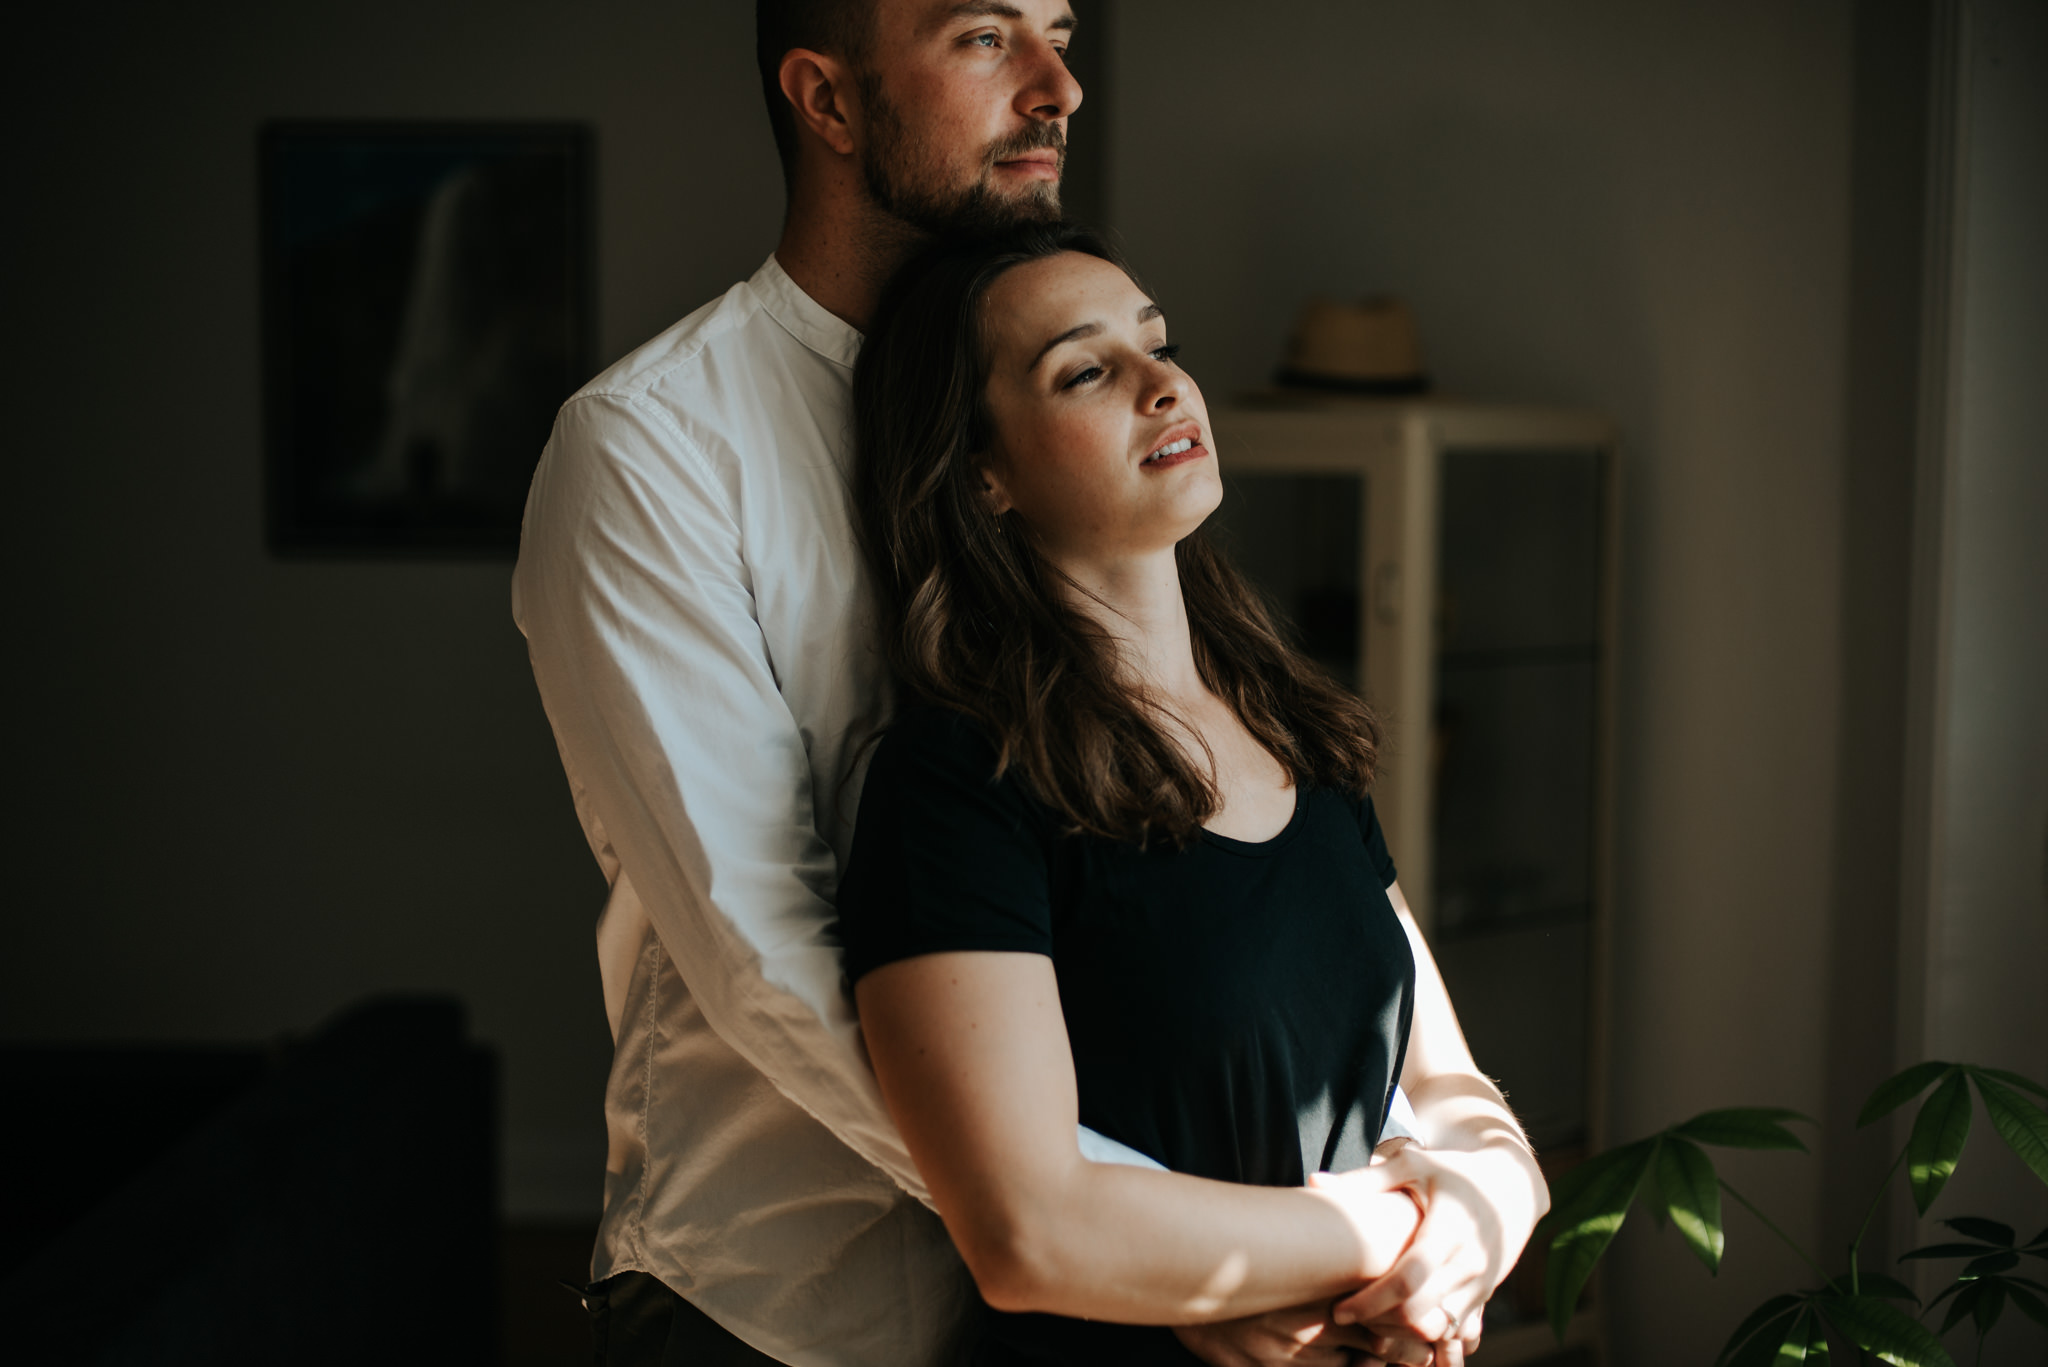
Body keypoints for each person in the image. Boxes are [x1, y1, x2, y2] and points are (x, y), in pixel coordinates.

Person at [516, 1, 1436, 1363]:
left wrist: (1366, 1200)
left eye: (1059, 30)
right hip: (787, 1301)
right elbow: (773, 951)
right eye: (984, 37)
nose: (1064, 85)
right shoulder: (652, 452)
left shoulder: (1084, 436)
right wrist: (1161, 1246)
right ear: (826, 103)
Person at [833, 222, 1551, 1367]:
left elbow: (1458, 1092)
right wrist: (1387, 1232)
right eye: (1086, 369)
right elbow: (1028, 1229)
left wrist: (1480, 1221)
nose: (1164, 384)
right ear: (984, 473)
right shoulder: (956, 785)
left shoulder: (1292, 725)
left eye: (1156, 344)